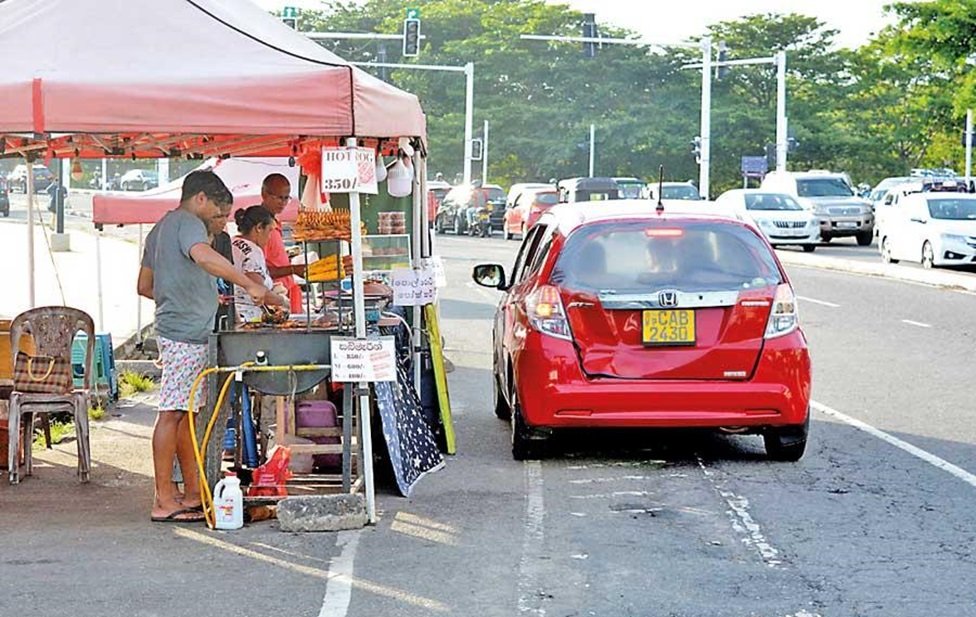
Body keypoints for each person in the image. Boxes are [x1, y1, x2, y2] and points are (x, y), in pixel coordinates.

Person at [140, 170, 268, 523]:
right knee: (172, 413)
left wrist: (187, 294)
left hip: (180, 329)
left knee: (187, 414)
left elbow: (145, 284)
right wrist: (248, 284)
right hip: (184, 333)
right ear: (200, 199)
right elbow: (203, 256)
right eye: (217, 215)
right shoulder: (188, 222)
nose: (220, 225)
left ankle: (192, 492)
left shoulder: (159, 229)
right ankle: (164, 499)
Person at [256, 174, 305, 313]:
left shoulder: (275, 223)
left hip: (286, 294)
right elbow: (261, 271)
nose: (283, 203)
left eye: (286, 198)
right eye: (278, 197)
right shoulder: (261, 228)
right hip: (275, 299)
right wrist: (294, 269)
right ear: (264, 194)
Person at [231, 205, 289, 322]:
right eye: (269, 230)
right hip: (248, 318)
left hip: (233, 314)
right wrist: (282, 300)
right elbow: (258, 291)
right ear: (259, 228)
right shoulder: (253, 252)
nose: (269, 237)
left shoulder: (232, 242)